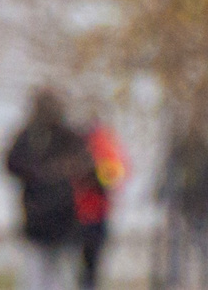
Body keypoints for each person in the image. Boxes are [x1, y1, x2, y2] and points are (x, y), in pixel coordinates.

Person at [5, 88, 96, 290]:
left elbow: (88, 167)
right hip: (38, 221)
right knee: (37, 276)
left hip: (63, 221)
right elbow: (11, 164)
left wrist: (61, 171)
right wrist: (41, 174)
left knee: (58, 277)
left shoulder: (69, 138)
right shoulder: (29, 138)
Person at [154, 117, 208, 290]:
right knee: (179, 248)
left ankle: (202, 282)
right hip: (182, 207)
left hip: (200, 207)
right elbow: (167, 177)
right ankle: (177, 282)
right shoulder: (180, 151)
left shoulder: (204, 152)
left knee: (200, 248)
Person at [74, 114, 129, 290]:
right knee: (83, 265)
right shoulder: (99, 143)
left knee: (88, 265)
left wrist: (94, 175)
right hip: (80, 213)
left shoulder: (102, 144)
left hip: (93, 212)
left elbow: (116, 175)